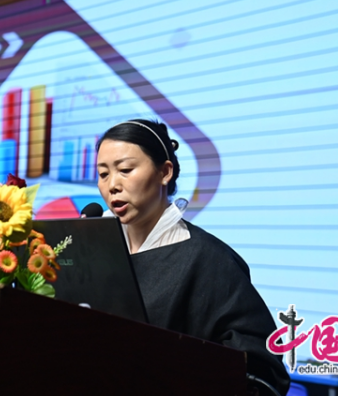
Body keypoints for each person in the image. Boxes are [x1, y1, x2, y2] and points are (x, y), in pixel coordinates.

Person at [96, 119, 290, 396]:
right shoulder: (96, 252)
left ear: (165, 172)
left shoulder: (209, 258)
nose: (112, 185)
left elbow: (262, 369)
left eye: (125, 170)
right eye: (103, 174)